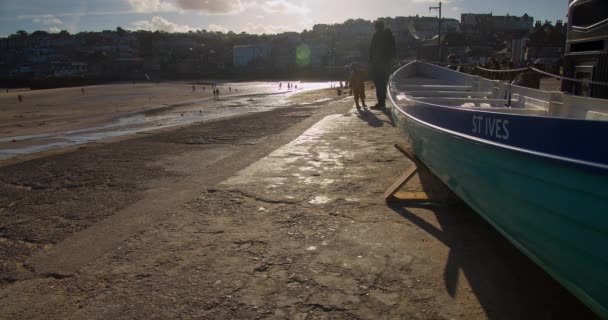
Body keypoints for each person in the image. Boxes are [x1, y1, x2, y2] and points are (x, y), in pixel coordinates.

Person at [369, 20, 395, 110]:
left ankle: (381, 102)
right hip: (385, 62)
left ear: (376, 27)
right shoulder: (388, 35)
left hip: (378, 63)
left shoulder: (378, 35)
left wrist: (371, 60)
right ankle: (381, 102)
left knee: (379, 82)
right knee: (382, 82)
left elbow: (373, 49)